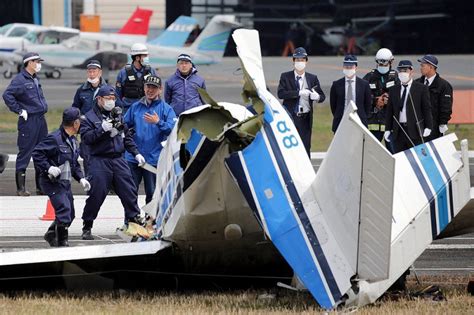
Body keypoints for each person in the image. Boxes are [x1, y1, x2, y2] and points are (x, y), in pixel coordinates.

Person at [80, 85, 145, 240]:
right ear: (99, 99)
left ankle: (133, 222)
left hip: (118, 159)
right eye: (108, 99)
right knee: (97, 194)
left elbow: (126, 135)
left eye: (113, 98)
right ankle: (87, 225)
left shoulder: (117, 115)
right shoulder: (88, 118)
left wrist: (136, 153)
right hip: (99, 160)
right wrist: (101, 130)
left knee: (129, 191)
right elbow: (87, 139)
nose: (111, 101)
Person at [32, 107, 91, 247]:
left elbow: (74, 163)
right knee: (64, 210)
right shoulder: (54, 139)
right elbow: (37, 153)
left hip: (64, 182)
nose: (81, 125)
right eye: (80, 122)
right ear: (75, 123)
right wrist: (48, 168)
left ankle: (51, 234)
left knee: (70, 215)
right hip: (51, 182)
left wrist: (81, 178)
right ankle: (62, 243)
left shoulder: (72, 140)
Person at [124, 76, 176, 204]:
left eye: (154, 88)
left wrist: (158, 122)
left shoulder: (166, 109)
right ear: (144, 88)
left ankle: (150, 223)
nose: (150, 90)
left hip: (154, 159)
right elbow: (123, 125)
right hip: (134, 158)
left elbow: (173, 130)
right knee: (130, 192)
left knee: (152, 194)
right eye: (148, 87)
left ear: (160, 90)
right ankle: (130, 221)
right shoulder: (135, 107)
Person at [2, 52, 48, 196]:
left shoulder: (34, 78)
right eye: (36, 61)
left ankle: (40, 186)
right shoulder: (20, 80)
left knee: (41, 152)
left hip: (41, 120)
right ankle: (21, 188)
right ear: (29, 63)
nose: (39, 64)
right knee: (25, 153)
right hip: (29, 121)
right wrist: (19, 110)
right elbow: (7, 95)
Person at [277, 47, 325, 156]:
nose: (300, 62)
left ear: (306, 61)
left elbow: (322, 97)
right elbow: (281, 94)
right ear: (293, 61)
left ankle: (306, 171)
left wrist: (316, 96)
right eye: (297, 60)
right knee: (290, 148)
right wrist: (298, 93)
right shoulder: (286, 76)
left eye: (302, 60)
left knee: (305, 146)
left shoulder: (312, 78)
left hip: (305, 118)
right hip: (291, 117)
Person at [384, 60, 433, 153]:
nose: (402, 73)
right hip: (398, 131)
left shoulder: (421, 89)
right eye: (400, 71)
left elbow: (426, 109)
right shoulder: (393, 89)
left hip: (414, 131)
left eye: (405, 70)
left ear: (411, 71)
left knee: (417, 158)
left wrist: (428, 127)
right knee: (399, 158)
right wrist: (387, 129)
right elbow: (390, 112)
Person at [72, 59, 107, 175]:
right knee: (87, 157)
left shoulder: (107, 90)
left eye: (94, 71)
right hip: (87, 129)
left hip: (103, 128)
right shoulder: (81, 90)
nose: (92, 74)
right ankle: (89, 181)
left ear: (100, 72)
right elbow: (75, 109)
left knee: (105, 156)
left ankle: (109, 183)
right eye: (89, 71)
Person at [363, 48, 400, 152]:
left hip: (391, 123)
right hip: (373, 121)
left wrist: (389, 99)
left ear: (391, 61)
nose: (382, 66)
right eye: (380, 63)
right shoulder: (369, 77)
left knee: (394, 152)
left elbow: (402, 96)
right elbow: (362, 96)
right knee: (370, 152)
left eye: (385, 63)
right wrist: (375, 101)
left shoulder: (396, 77)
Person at [329, 55, 371, 132]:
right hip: (341, 122)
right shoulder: (336, 85)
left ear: (356, 67)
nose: (348, 69)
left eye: (351, 67)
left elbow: (367, 105)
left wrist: (362, 117)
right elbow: (333, 106)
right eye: (346, 67)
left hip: (359, 122)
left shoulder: (364, 85)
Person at [416, 54, 453, 141]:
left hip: (434, 127)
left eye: (423, 65)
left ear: (431, 67)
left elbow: (446, 107)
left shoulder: (444, 86)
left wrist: (443, 123)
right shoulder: (416, 83)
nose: (420, 68)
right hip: (418, 126)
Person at [115, 43, 157, 112]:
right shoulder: (123, 73)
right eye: (145, 56)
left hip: (146, 110)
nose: (147, 58)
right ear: (137, 58)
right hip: (128, 110)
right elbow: (118, 94)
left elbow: (157, 91)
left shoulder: (151, 71)